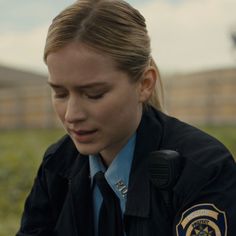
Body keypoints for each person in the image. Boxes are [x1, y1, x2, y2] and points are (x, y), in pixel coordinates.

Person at [17, 0, 236, 235]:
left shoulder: (202, 171)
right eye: (60, 93)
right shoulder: (57, 164)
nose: (72, 115)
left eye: (94, 94)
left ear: (144, 84)